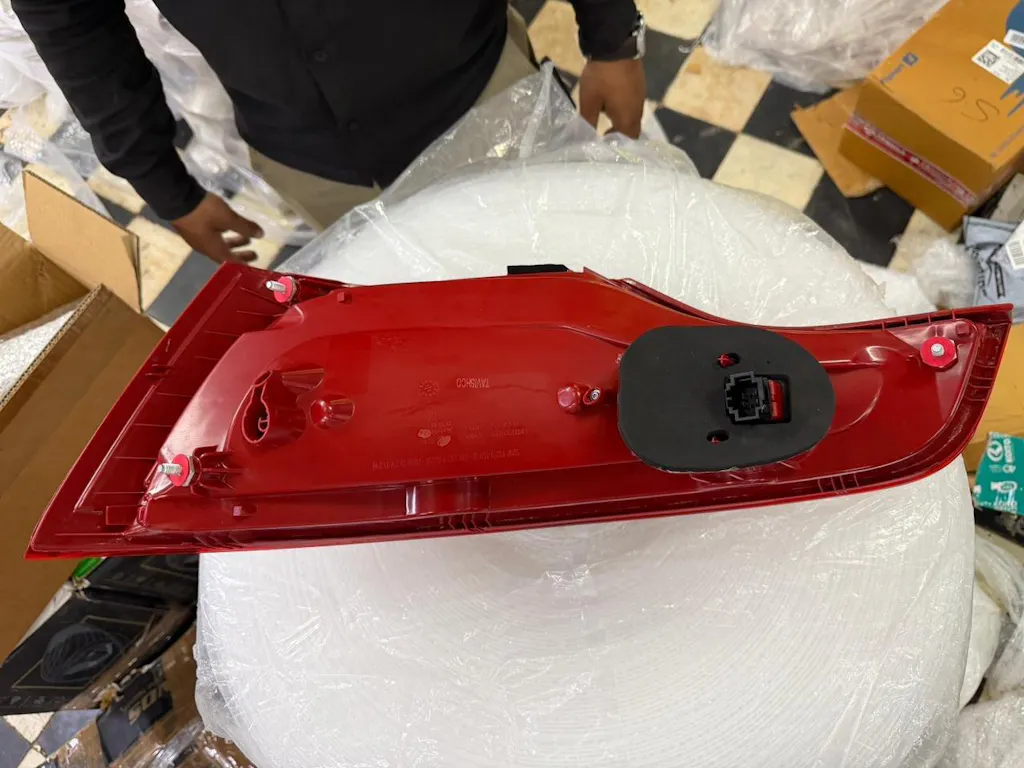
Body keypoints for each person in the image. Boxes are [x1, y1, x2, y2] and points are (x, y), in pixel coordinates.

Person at [13, 0, 647, 263]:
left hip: (480, 84)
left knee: (565, 263)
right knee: (418, 303)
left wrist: (612, 35)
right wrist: (159, 180)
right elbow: (70, 16)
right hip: (311, 156)